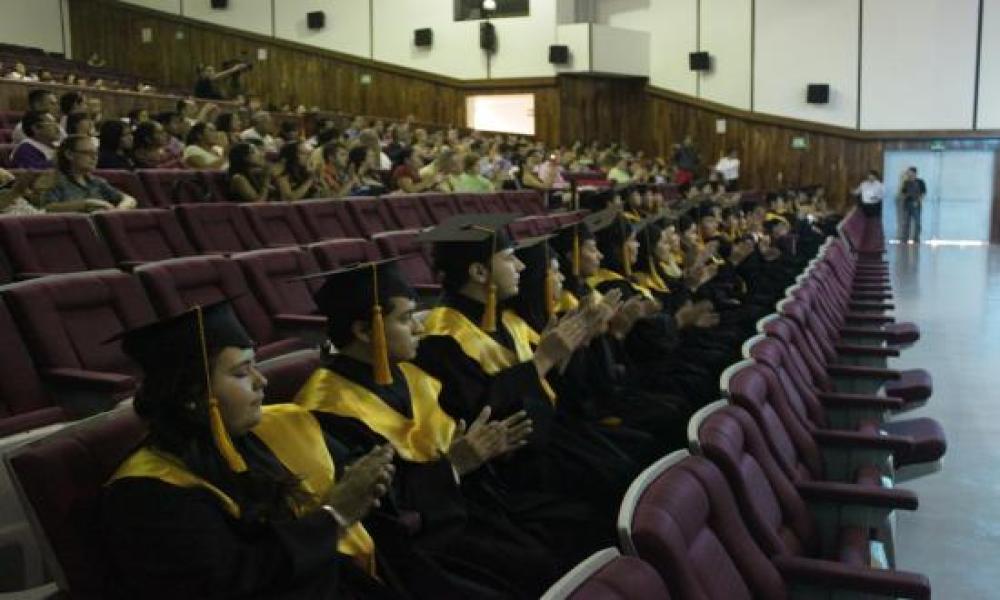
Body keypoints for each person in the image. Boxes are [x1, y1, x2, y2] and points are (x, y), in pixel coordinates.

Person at [295, 259, 561, 598]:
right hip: (421, 547)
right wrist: (453, 465)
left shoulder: (411, 375)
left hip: (467, 508)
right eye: (406, 319)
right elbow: (382, 509)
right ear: (364, 331)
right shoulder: (326, 407)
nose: (419, 329)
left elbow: (454, 446)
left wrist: (486, 449)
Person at [101, 301, 401, 599]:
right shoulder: (149, 494)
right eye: (242, 372)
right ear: (193, 393)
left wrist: (369, 479)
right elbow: (238, 578)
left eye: (255, 366)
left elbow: (352, 480)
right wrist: (335, 515)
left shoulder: (256, 435)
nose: (262, 381)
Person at [39, 135, 138, 212]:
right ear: (69, 154)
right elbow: (46, 209)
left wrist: (118, 210)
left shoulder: (97, 182)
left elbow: (129, 199)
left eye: (96, 153)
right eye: (87, 153)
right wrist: (85, 204)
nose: (94, 158)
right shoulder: (53, 180)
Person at [900, 167, 926, 243]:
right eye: (908, 172)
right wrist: (905, 196)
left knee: (917, 222)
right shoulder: (906, 182)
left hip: (916, 204)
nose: (908, 174)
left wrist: (917, 201)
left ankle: (916, 239)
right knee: (906, 222)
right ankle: (905, 239)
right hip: (907, 204)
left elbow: (923, 193)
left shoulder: (920, 182)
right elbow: (903, 193)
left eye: (909, 172)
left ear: (914, 173)